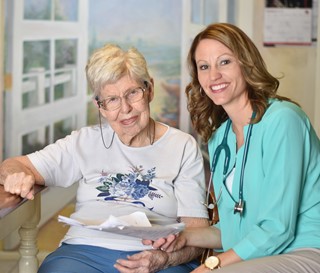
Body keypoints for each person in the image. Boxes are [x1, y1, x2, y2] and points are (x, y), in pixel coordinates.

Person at [0, 44, 209, 273]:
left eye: (132, 93)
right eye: (111, 100)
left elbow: (197, 233)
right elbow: (16, 164)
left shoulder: (182, 146)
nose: (125, 109)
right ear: (100, 107)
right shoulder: (84, 141)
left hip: (157, 259)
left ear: (149, 90)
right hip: (83, 253)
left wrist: (164, 258)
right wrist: (15, 175)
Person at [145, 23, 320, 272]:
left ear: (246, 64)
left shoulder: (283, 120)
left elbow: (277, 229)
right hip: (260, 255)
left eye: (224, 62)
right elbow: (233, 228)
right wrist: (183, 237)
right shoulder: (220, 138)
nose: (213, 75)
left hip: (305, 249)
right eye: (204, 67)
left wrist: (214, 264)